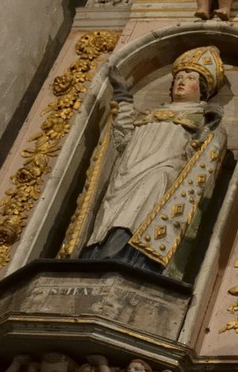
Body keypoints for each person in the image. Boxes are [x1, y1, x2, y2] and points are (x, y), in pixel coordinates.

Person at [79, 47, 228, 278]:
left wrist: (208, 127)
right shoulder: (148, 114)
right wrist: (123, 97)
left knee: (151, 191)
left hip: (164, 171)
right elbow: (123, 140)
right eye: (179, 78)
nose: (182, 82)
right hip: (127, 172)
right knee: (110, 214)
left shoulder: (201, 117)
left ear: (202, 89)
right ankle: (97, 254)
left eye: (190, 78)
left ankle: (128, 258)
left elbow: (199, 156)